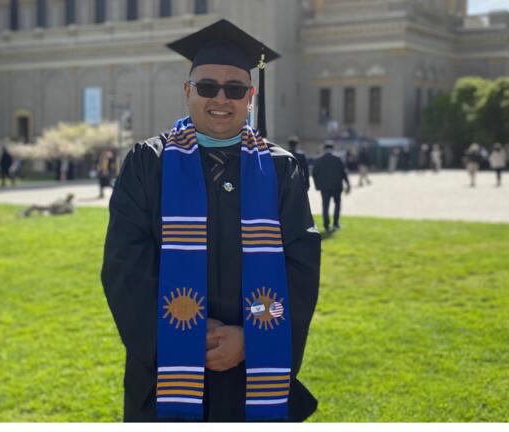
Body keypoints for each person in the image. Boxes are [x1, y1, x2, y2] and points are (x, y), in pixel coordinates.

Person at [101, 20, 320, 422]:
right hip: (166, 369)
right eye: (207, 87)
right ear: (187, 91)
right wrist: (184, 338)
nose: (221, 98)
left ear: (250, 97)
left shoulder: (280, 169)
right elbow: (124, 269)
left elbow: (300, 271)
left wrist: (251, 338)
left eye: (235, 89)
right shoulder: (147, 164)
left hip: (252, 371)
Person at [312, 143, 351, 233]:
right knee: (337, 205)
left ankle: (326, 225)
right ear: (332, 149)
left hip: (324, 187)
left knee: (325, 206)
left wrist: (317, 185)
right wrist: (348, 184)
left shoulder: (319, 160)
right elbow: (344, 173)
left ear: (324, 149)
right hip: (337, 186)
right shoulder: (338, 159)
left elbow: (314, 174)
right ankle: (336, 223)